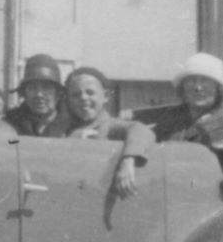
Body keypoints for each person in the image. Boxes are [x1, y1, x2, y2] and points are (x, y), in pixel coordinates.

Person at [61, 65, 155, 198]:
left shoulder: (110, 126)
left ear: (105, 96)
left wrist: (128, 161)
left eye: (90, 92)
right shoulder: (66, 129)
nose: (83, 98)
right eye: (76, 95)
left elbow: (141, 129)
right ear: (68, 100)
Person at [150, 52, 223, 142]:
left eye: (205, 81)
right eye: (192, 81)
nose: (198, 88)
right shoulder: (170, 117)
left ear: (218, 88)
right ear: (183, 87)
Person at [2, 53, 67, 137]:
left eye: (46, 88)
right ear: (24, 93)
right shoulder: (10, 124)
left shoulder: (71, 126)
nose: (39, 94)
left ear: (58, 93)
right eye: (32, 88)